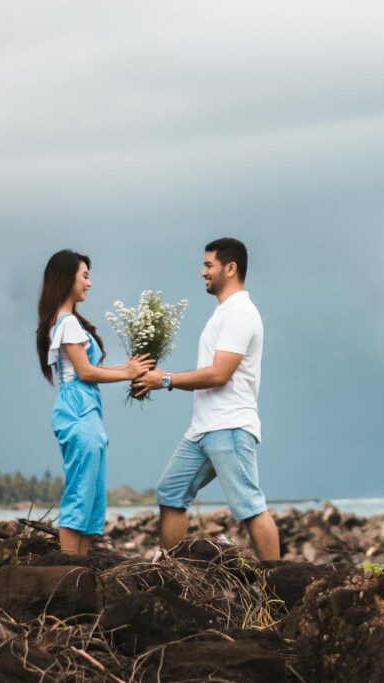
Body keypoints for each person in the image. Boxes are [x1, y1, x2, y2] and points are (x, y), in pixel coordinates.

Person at [135, 238, 280, 560]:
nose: (202, 272)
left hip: (229, 426)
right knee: (171, 493)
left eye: (208, 265)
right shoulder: (223, 313)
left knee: (250, 506)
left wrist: (166, 379)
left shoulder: (241, 313)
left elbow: (219, 374)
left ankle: (277, 588)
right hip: (203, 429)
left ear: (231, 268)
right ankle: (173, 572)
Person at [36, 249, 153, 555]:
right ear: (67, 278)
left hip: (85, 409)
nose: (89, 283)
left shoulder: (66, 322)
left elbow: (84, 370)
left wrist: (128, 369)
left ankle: (80, 570)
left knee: (92, 495)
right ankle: (68, 569)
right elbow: (85, 372)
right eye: (85, 275)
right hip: (77, 410)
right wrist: (127, 372)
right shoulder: (68, 324)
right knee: (80, 492)